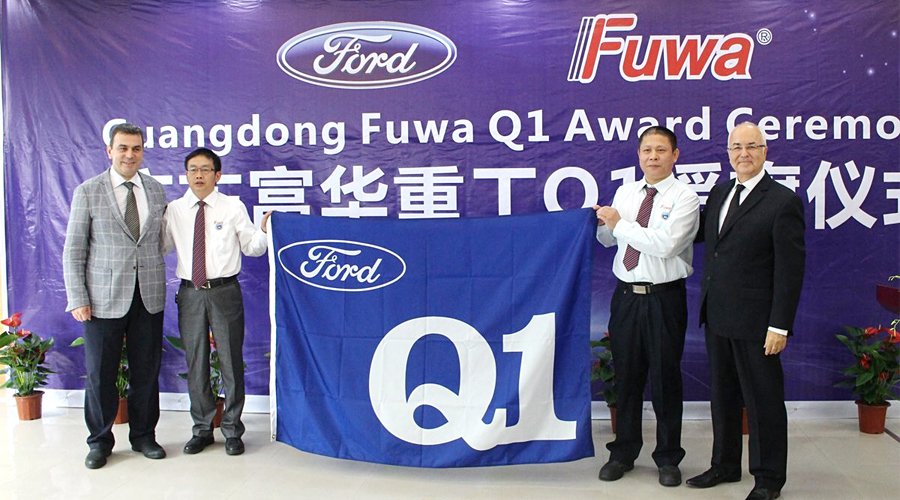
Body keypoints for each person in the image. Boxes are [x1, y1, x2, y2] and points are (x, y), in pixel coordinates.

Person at [686, 122, 805, 500]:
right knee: (723, 397)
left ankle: (768, 479)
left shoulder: (782, 201)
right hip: (718, 315)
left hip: (757, 323)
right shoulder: (721, 192)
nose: (744, 154)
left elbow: (790, 271)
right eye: (736, 147)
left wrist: (779, 326)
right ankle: (724, 465)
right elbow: (699, 236)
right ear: (728, 153)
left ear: (765, 151)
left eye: (752, 146)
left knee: (763, 402)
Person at [593, 126, 700, 487]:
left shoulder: (685, 197)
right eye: (647, 150)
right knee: (627, 377)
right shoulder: (626, 192)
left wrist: (619, 225)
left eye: (660, 150)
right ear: (639, 155)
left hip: (664, 298)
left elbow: (666, 245)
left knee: (665, 378)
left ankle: (668, 458)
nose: (653, 156)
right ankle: (623, 453)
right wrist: (604, 223)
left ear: (675, 155)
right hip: (626, 297)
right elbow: (610, 240)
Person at [63, 122, 169, 469]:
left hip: (148, 295)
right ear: (109, 151)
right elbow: (74, 249)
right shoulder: (88, 191)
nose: (129, 155)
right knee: (100, 374)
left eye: (136, 148)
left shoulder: (155, 190)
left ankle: (144, 436)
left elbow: (160, 241)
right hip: (102, 299)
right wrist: (78, 297)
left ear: (143, 152)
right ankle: (99, 442)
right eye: (123, 148)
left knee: (146, 372)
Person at [162, 147, 270, 456]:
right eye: (193, 169)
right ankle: (202, 429)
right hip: (190, 294)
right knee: (196, 361)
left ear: (217, 175)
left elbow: (252, 248)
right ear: (186, 174)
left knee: (230, 361)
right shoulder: (174, 210)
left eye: (205, 169)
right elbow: (161, 247)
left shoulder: (232, 207)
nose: (198, 175)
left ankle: (233, 430)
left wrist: (264, 231)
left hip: (225, 292)